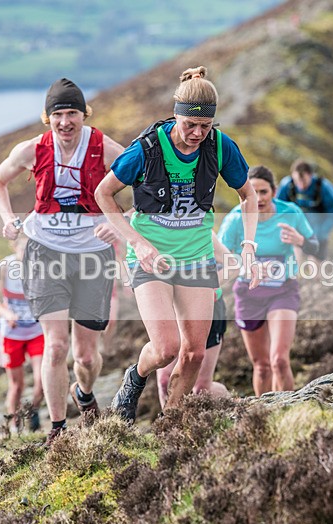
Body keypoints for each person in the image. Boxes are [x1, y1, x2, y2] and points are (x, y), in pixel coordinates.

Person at [95, 66, 259, 423]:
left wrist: (248, 245)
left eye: (206, 126)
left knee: (195, 355)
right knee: (167, 348)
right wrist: (136, 243)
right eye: (190, 125)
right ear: (176, 116)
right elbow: (103, 193)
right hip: (152, 260)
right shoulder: (147, 149)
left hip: (196, 257)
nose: (198, 133)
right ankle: (134, 378)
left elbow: (248, 196)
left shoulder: (220, 146)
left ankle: (171, 423)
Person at [0, 77, 125, 447]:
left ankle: (85, 391)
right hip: (44, 251)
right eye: (58, 114)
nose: (65, 122)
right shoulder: (31, 150)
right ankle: (58, 430)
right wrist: (7, 217)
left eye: (72, 114)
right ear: (48, 118)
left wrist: (120, 226)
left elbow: (144, 181)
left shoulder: (103, 146)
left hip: (92, 255)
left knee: (85, 354)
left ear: (84, 115)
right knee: (56, 346)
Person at [219, 165, 318, 395]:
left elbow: (317, 247)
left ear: (274, 191)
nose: (259, 198)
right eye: (253, 192)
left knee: (279, 361)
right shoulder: (235, 220)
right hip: (248, 294)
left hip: (283, 292)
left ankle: (287, 413)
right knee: (262, 367)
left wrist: (300, 240)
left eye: (264, 192)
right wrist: (249, 265)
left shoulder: (290, 212)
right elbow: (221, 259)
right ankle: (263, 417)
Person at [155, 234, 232, 407]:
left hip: (207, 309)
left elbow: (233, 265)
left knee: (201, 388)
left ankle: (232, 403)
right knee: (164, 380)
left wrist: (208, 285)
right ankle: (169, 428)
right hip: (171, 309)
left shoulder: (201, 227)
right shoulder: (155, 227)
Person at [0, 236, 44, 433]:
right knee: (17, 386)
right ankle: (14, 426)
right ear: (15, 247)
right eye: (25, 249)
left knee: (42, 381)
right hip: (12, 334)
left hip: (37, 332)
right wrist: (7, 313)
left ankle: (33, 410)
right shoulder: (4, 267)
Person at [276, 159, 333, 264]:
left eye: (304, 181)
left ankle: (316, 278)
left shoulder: (324, 188)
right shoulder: (287, 185)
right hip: (296, 230)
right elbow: (279, 208)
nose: (300, 186)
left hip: (317, 232)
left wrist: (321, 233)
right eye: (297, 182)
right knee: (293, 261)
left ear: (310, 175)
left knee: (316, 265)